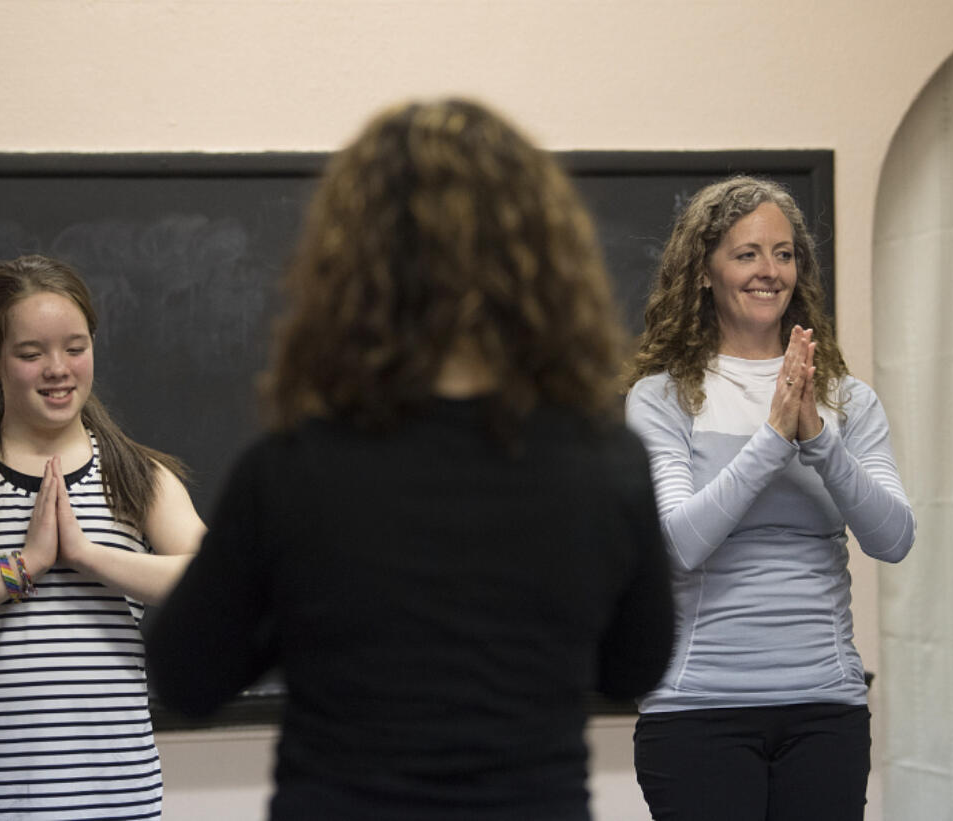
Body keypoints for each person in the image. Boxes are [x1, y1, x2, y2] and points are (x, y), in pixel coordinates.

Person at [145, 98, 675, 821]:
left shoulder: (293, 469)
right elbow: (633, 667)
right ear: (543, 264)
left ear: (353, 266)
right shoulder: (606, 462)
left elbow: (187, 674)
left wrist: (301, 612)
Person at [0, 254, 207, 821]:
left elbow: (217, 581)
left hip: (116, 797)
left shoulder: (139, 476)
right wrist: (21, 566)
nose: (58, 368)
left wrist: (88, 557)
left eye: (75, 348)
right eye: (31, 353)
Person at [623, 176, 916, 821]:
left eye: (784, 254)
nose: (769, 271)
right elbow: (677, 544)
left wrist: (818, 438)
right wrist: (775, 435)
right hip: (697, 712)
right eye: (747, 253)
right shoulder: (664, 396)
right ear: (704, 270)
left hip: (826, 710)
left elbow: (893, 538)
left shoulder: (845, 396)